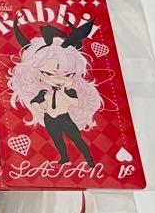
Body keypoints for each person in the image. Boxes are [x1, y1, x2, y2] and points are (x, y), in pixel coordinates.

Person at [8, 19, 101, 166]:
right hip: (50, 119)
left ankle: (90, 161)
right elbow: (34, 102)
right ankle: (64, 158)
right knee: (57, 140)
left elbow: (76, 102)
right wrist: (41, 108)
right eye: (48, 74)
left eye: (68, 74)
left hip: (65, 118)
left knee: (77, 139)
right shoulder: (43, 91)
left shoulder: (69, 90)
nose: (58, 80)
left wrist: (63, 92)